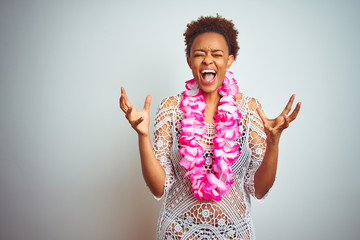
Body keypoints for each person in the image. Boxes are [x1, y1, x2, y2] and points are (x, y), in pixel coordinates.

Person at [119, 15, 300, 240]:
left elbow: (259, 190)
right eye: (199, 54)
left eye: (217, 54)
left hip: (235, 234)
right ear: (188, 61)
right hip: (178, 232)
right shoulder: (171, 109)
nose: (207, 60)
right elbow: (159, 187)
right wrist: (142, 136)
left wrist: (274, 142)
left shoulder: (248, 110)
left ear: (230, 60)